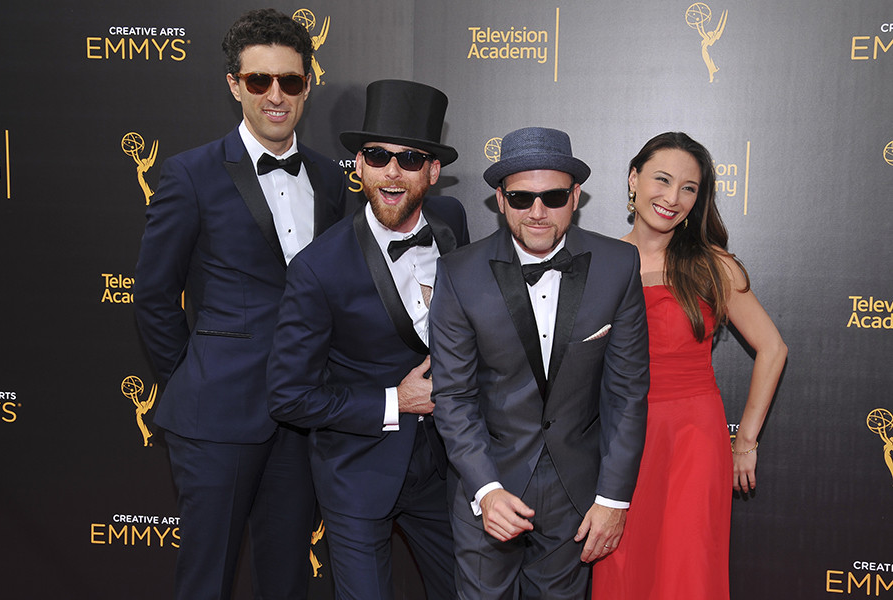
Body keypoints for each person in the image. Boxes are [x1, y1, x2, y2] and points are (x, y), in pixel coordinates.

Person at [133, 9, 346, 599]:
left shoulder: (331, 181)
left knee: (286, 580)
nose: (276, 95)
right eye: (259, 81)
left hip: (304, 420)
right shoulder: (188, 175)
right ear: (235, 85)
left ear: (308, 83)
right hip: (217, 417)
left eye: (291, 81)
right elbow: (153, 296)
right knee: (207, 579)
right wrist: (191, 381)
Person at [267, 79, 468, 600]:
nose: (393, 172)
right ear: (358, 165)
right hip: (358, 472)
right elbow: (289, 394)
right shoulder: (319, 268)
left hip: (447, 470)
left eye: (410, 158)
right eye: (378, 156)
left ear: (433, 170)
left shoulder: (452, 224)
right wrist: (394, 401)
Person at [429, 126, 649, 599]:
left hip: (577, 494)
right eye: (522, 197)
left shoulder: (618, 265)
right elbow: (453, 396)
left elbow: (627, 393)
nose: (537, 212)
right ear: (500, 199)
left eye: (552, 196)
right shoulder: (458, 273)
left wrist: (613, 499)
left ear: (575, 196)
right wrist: (485, 489)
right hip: (489, 482)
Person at [590, 131, 788, 599]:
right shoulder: (596, 261)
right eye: (662, 180)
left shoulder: (711, 264)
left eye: (689, 188)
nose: (672, 198)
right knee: (622, 568)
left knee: (687, 570)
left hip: (692, 439)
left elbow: (773, 348)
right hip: (620, 439)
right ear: (634, 179)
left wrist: (746, 443)